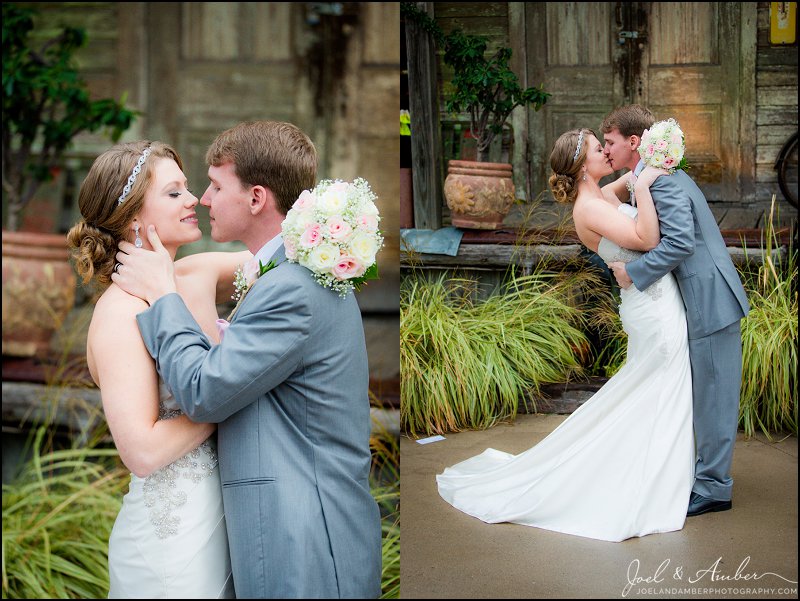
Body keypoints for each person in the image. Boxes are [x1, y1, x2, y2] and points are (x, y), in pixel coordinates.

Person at [111, 121, 382, 598]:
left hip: (305, 536)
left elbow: (203, 392)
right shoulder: (288, 272)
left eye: (216, 185)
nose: (205, 199)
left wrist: (162, 293)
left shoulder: (291, 289)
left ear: (256, 198)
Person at [436, 126, 695, 542]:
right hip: (652, 309)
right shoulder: (589, 209)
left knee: (650, 391)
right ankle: (651, 480)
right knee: (657, 389)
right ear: (582, 166)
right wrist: (645, 185)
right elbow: (648, 238)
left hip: (652, 301)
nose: (606, 152)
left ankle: (656, 469)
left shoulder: (596, 197)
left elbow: (616, 188)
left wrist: (647, 161)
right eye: (598, 148)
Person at [67, 140, 252, 597]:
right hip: (173, 542)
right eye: (174, 193)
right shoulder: (118, 315)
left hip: (228, 520)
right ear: (133, 218)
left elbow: (291, 257)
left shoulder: (195, 273)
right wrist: (238, 391)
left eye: (188, 188)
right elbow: (143, 452)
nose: (194, 200)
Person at [601, 104, 750, 517]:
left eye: (610, 142)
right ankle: (704, 477)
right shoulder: (652, 176)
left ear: (634, 142)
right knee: (705, 396)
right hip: (700, 298)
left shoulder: (661, 182)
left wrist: (633, 273)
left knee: (715, 399)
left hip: (710, 299)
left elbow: (681, 243)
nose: (606, 149)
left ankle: (715, 489)